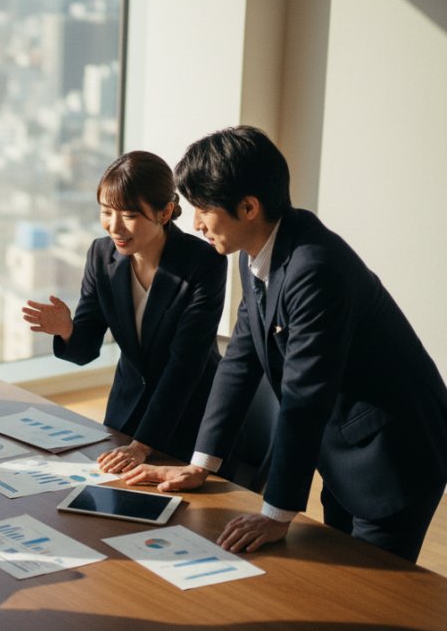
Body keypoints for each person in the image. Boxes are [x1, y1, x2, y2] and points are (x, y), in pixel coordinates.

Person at [125, 126, 447, 562]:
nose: (195, 223)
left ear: (249, 207)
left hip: (393, 454)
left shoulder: (315, 268)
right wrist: (202, 464)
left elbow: (304, 397)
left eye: (203, 209)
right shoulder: (252, 250)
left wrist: (276, 513)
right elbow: (240, 359)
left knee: (374, 591)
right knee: (336, 573)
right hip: (341, 447)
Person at [23, 151, 226, 472]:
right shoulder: (101, 255)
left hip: (190, 419)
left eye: (129, 215)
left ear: (165, 212)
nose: (114, 227)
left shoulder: (204, 262)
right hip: (124, 415)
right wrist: (67, 330)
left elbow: (185, 365)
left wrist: (143, 446)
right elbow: (86, 348)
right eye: (106, 212)